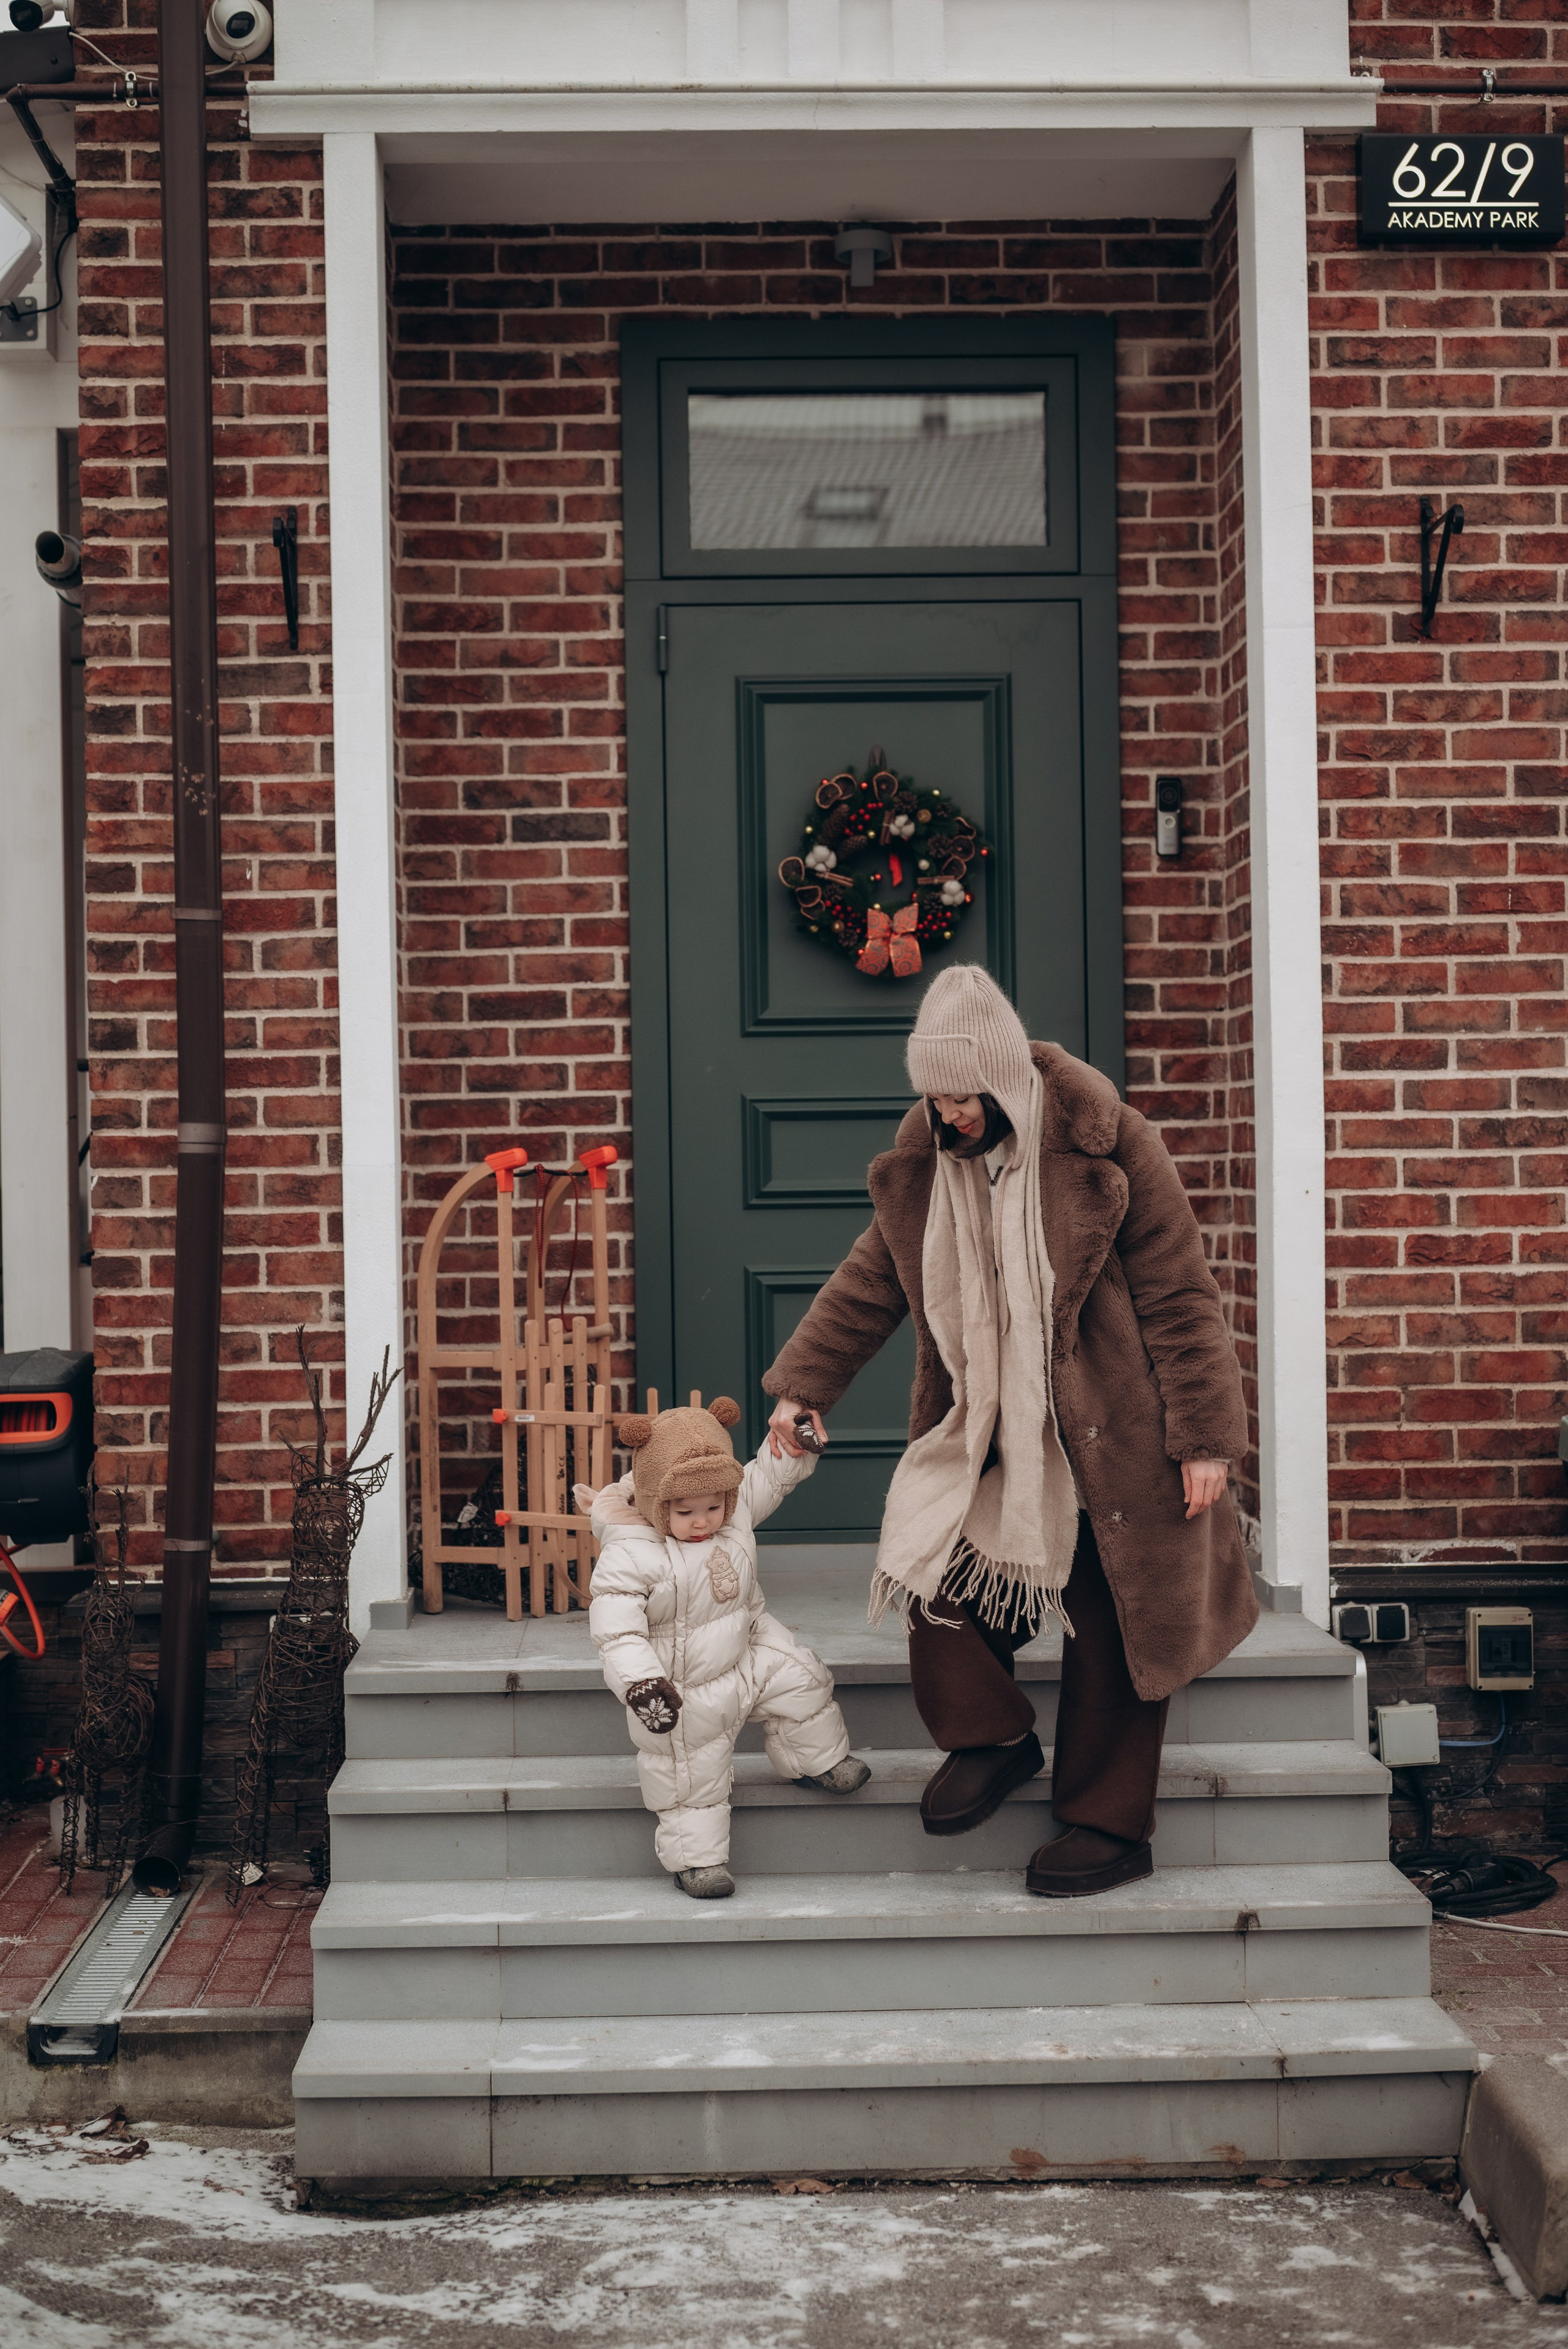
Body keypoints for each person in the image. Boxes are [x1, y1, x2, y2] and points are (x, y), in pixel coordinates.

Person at [762, 963, 1254, 1898]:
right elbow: (873, 1280)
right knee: (934, 1566)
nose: (947, 1117)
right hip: (992, 1424)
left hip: (1117, 1435)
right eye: (935, 1100)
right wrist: (803, 1384)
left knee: (1111, 1624)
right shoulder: (927, 1163)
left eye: (961, 1099)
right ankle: (993, 1738)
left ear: (1003, 1083)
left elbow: (1182, 1295)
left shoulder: (1111, 1143)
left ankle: (1110, 1825)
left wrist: (1205, 1437)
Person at [582, 1397, 870, 1901]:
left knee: (803, 1678)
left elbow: (768, 1477)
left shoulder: (732, 1515)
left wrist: (796, 1445)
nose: (703, 1521)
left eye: (714, 1507)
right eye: (686, 1511)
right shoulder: (630, 1553)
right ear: (655, 1503)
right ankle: (698, 1861)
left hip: (747, 1651)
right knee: (691, 1776)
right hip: (681, 1688)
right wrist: (643, 1685)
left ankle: (818, 1760)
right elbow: (617, 1632)